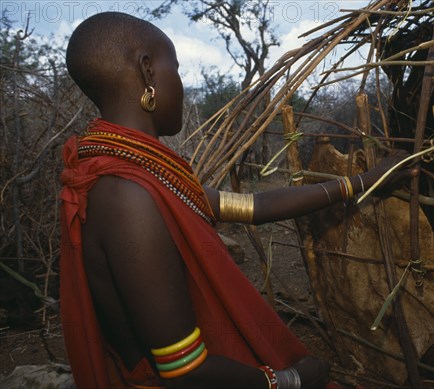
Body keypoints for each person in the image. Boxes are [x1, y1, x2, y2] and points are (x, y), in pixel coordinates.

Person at [59, 11, 414, 389]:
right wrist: (290, 380)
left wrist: (361, 182)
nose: (180, 83)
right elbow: (185, 374)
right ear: (148, 71)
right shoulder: (126, 195)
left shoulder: (141, 171)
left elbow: (256, 208)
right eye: (175, 68)